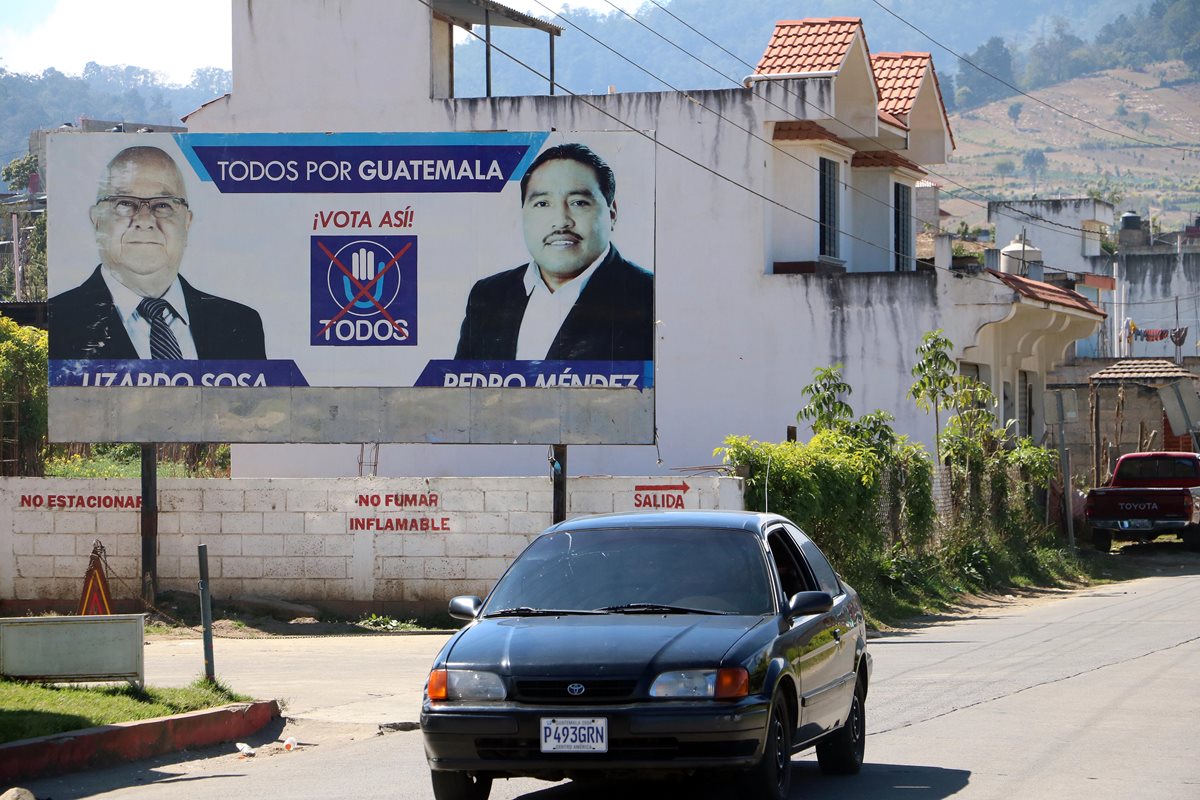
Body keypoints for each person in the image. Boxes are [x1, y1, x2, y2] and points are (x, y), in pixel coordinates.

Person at [49, 145, 266, 360]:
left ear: (186, 223)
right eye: (124, 203)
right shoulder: (59, 321)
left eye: (163, 205)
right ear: (97, 220)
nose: (144, 220)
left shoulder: (240, 324)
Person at [454, 142, 653, 361]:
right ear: (524, 214)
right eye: (542, 204)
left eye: (578, 202)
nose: (560, 222)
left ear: (612, 213)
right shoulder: (488, 295)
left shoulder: (650, 296)